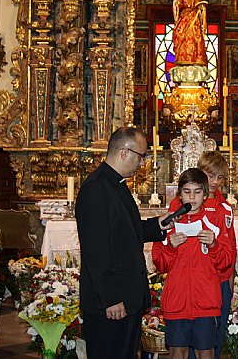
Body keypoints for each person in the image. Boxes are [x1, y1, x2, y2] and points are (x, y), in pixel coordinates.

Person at [75, 127, 171, 359]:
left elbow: (124, 232)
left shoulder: (115, 184)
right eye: (141, 156)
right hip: (111, 302)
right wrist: (111, 298)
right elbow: (96, 251)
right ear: (125, 152)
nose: (142, 163)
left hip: (126, 297)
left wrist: (157, 225)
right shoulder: (95, 189)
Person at [152, 168, 233, 359]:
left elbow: (226, 263)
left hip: (206, 302)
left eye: (197, 192)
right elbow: (160, 265)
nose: (192, 197)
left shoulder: (214, 222)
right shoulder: (167, 223)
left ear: (205, 194)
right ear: (179, 194)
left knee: (205, 353)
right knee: (177, 353)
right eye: (187, 192)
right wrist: (171, 248)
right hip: (177, 302)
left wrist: (213, 245)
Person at [172, 0, 208, 68]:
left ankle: (195, 58)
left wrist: (201, 8)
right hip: (184, 19)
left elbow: (200, 6)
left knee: (195, 37)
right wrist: (176, 2)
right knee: (182, 36)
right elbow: (178, 6)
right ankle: (183, 58)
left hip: (194, 19)